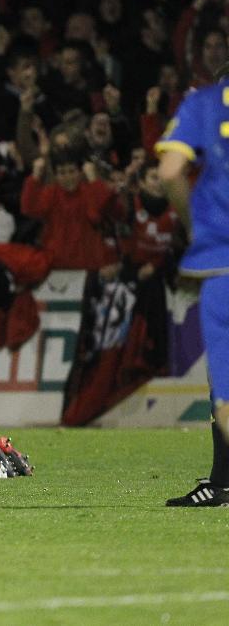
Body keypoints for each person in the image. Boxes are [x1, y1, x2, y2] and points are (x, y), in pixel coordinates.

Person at [155, 67, 229, 507]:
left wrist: (194, 227)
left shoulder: (204, 102)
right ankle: (221, 482)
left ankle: (221, 484)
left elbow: (170, 171)